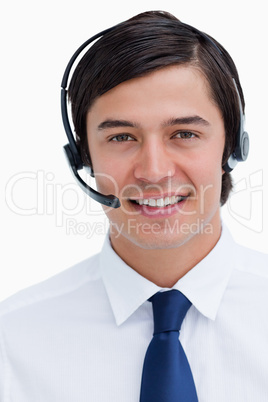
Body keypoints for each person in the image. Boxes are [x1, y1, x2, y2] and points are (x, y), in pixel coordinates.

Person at [0, 10, 267, 402]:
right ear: (82, 157)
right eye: (122, 137)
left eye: (184, 133)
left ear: (231, 147)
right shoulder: (13, 339)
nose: (154, 171)